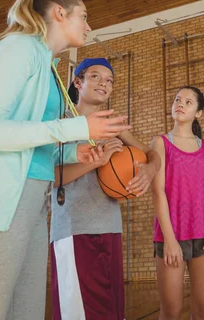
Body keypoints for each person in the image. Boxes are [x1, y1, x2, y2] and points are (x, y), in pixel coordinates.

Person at [0, 0, 129, 320]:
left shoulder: (47, 66)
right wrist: (79, 127)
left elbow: (30, 143)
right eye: (84, 16)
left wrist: (72, 153)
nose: (89, 25)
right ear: (59, 13)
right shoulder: (18, 48)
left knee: (24, 312)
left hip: (34, 204)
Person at [50, 57, 160, 319]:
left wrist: (150, 170)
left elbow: (152, 153)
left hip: (109, 226)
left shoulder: (113, 126)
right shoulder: (60, 123)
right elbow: (51, 177)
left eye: (109, 80)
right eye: (96, 77)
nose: (104, 83)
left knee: (111, 313)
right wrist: (96, 161)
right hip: (74, 228)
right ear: (78, 82)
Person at [151, 86, 204, 320]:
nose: (180, 104)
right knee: (171, 311)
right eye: (177, 100)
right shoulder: (160, 143)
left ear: (199, 113)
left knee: (202, 310)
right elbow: (158, 192)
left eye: (188, 102)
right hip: (171, 237)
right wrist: (170, 241)